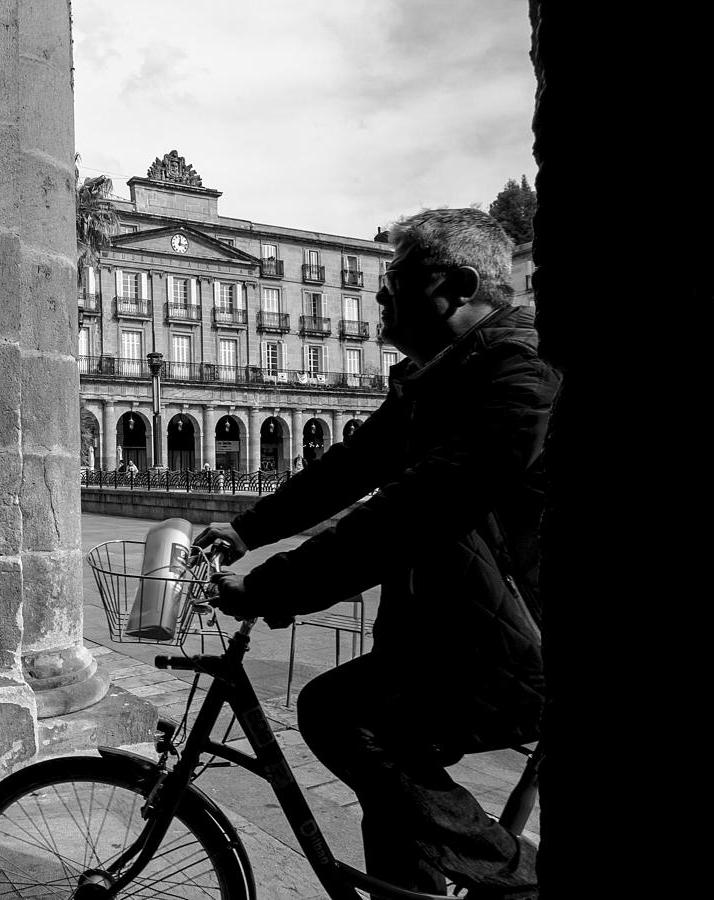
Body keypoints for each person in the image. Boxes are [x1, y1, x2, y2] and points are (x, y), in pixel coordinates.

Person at [195, 208, 557, 900]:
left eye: (395, 286)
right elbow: (352, 466)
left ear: (456, 287)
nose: (379, 301)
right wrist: (247, 530)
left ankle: (520, 884)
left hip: (520, 645)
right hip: (457, 634)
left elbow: (419, 509)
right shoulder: (438, 377)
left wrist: (272, 587)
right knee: (391, 791)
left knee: (340, 715)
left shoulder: (522, 370)